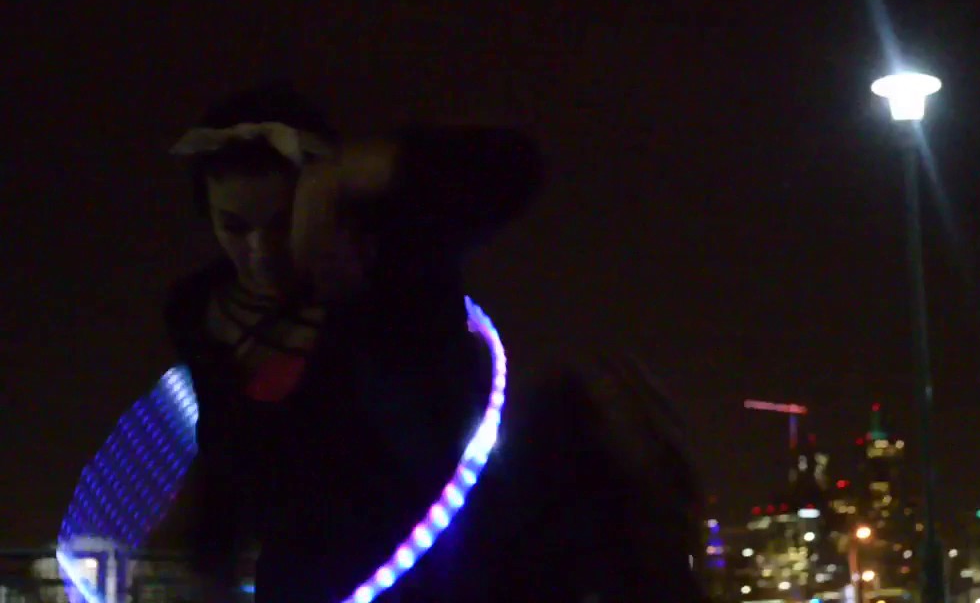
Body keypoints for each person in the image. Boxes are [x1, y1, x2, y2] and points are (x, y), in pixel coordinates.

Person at [164, 82, 705, 602]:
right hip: (310, 586)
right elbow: (232, 462)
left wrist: (350, 173)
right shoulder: (203, 315)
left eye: (282, 224)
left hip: (457, 578)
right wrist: (208, 560)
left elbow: (515, 165)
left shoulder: (401, 267)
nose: (260, 253)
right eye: (234, 227)